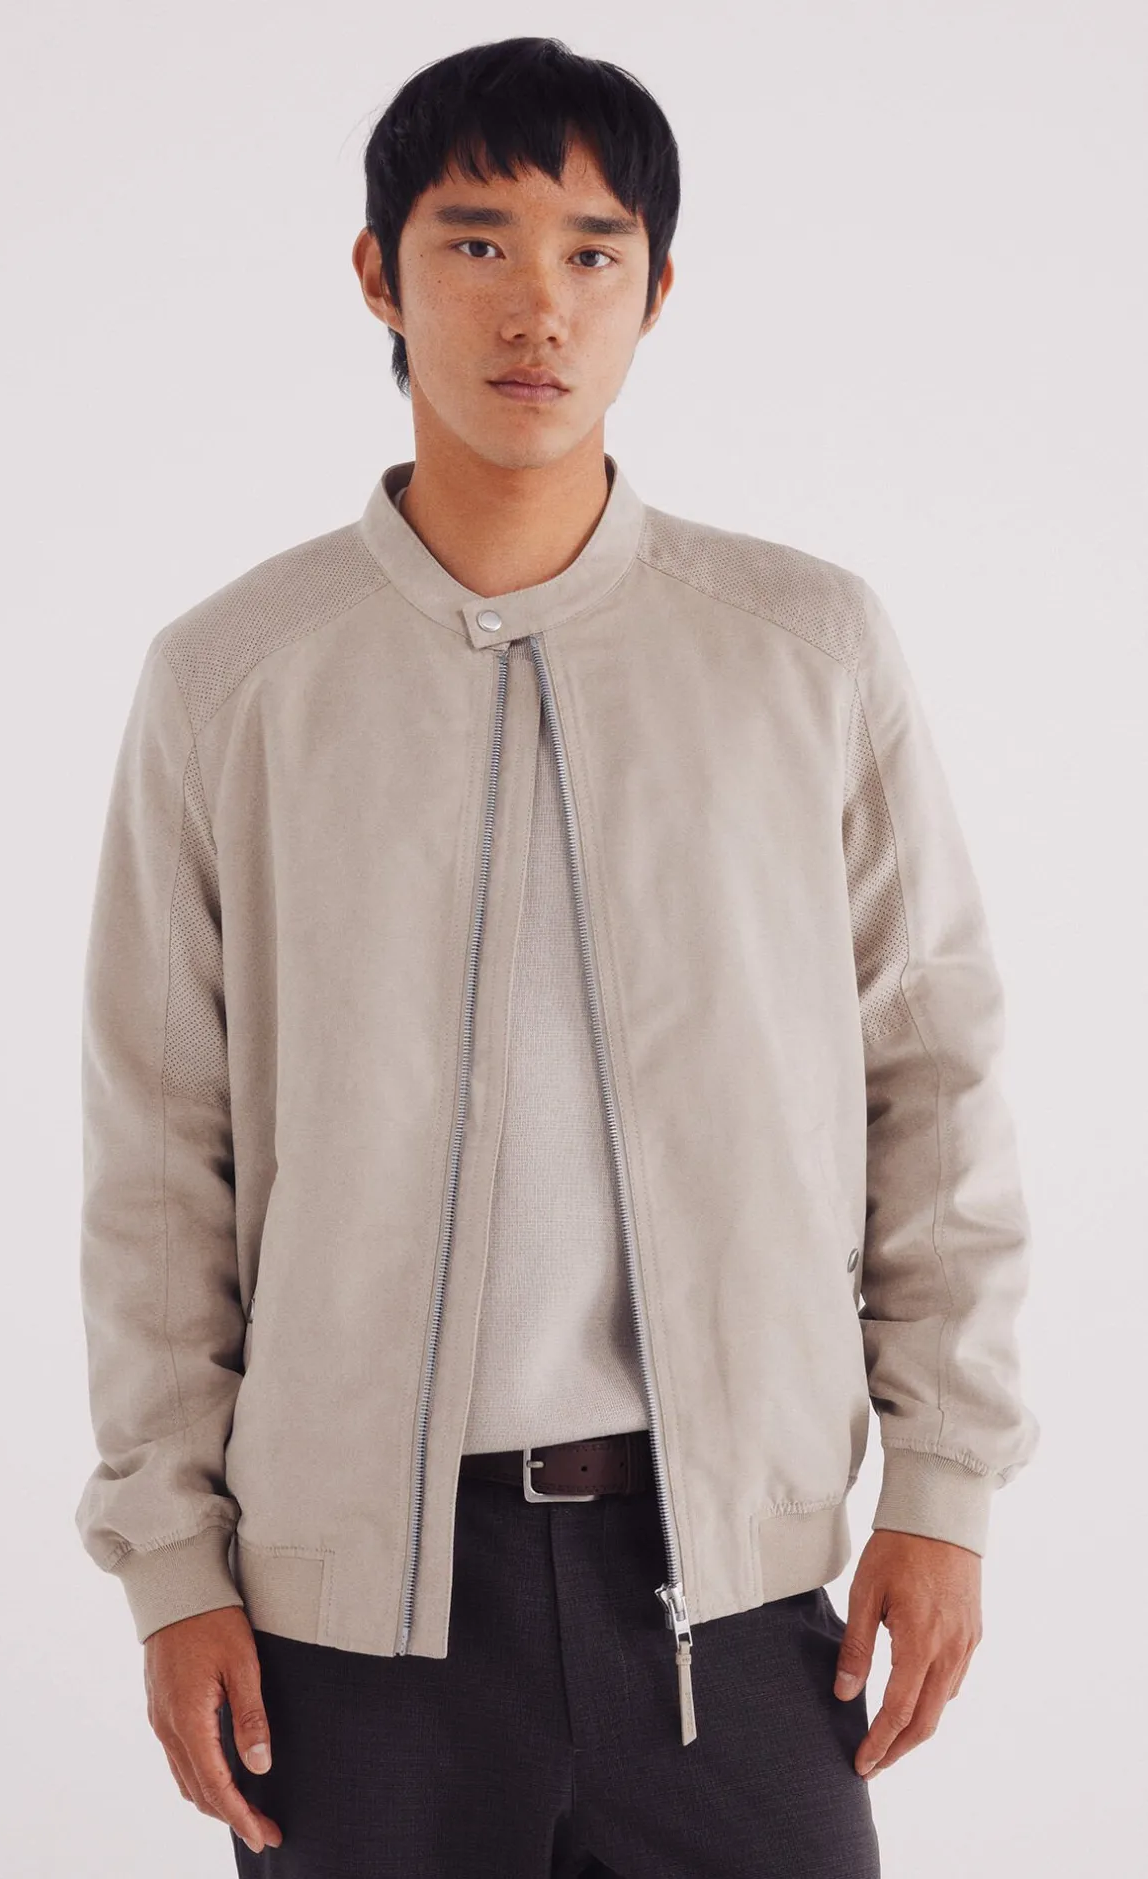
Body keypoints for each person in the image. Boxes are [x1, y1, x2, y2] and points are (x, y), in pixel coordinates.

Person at [73, 35, 1040, 1878]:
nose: (541, 305)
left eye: (596, 251)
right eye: (478, 242)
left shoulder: (805, 648)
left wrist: (946, 1482)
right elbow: (157, 1158)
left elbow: (932, 1079)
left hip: (732, 1593)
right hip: (349, 1626)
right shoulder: (232, 679)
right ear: (379, 273)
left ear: (657, 291)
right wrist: (173, 1561)